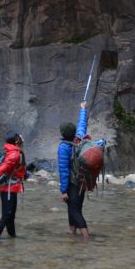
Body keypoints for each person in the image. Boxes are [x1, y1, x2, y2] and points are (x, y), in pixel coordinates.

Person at [0, 131, 27, 241]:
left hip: (11, 187)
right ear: (16, 141)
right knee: (7, 214)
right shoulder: (14, 154)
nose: (21, 137)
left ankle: (12, 236)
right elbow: (5, 166)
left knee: (11, 214)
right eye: (19, 136)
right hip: (8, 188)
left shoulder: (14, 151)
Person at [58, 101, 91, 238]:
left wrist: (64, 191)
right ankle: (72, 233)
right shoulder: (79, 139)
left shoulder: (63, 147)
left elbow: (64, 171)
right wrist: (83, 109)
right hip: (83, 180)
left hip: (73, 183)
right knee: (75, 207)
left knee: (74, 210)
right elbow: (82, 124)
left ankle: (86, 237)